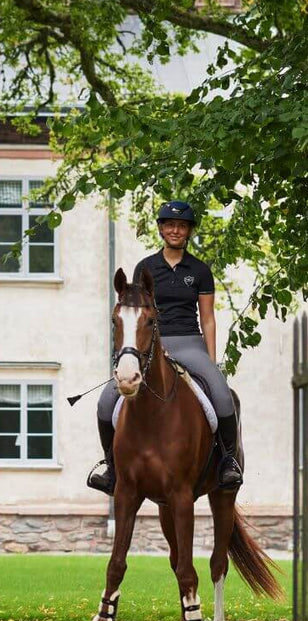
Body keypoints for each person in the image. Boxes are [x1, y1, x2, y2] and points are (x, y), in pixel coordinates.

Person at [88, 200, 244, 495]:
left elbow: (208, 319)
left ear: (188, 232)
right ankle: (111, 468)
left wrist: (211, 362)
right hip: (151, 346)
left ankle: (227, 463)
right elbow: (135, 313)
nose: (175, 230)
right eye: (169, 225)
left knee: (223, 395)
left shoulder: (199, 270)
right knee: (105, 403)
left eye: (182, 226)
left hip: (189, 342)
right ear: (160, 228)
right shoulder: (145, 267)